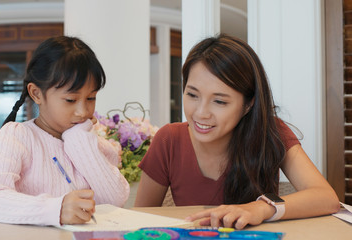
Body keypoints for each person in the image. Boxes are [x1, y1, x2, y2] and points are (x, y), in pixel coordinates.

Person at [134, 34, 339, 229]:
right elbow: (137, 220)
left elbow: (326, 198)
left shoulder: (271, 132)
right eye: (192, 95)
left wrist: (261, 207)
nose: (201, 113)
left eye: (220, 101)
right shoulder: (169, 140)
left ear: (248, 104)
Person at [0, 36, 130, 227]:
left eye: (91, 98)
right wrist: (55, 209)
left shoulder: (90, 142)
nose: (83, 111)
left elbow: (115, 200)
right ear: (36, 94)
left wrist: (78, 140)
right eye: (70, 100)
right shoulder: (17, 136)